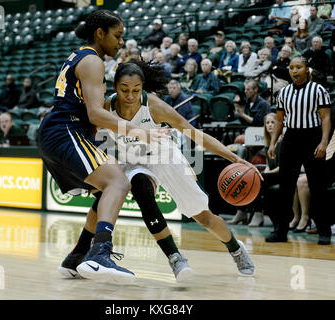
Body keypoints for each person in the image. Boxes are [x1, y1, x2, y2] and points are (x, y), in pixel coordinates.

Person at [90, 61, 259, 278]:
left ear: (143, 88)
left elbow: (196, 135)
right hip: (135, 162)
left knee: (204, 217)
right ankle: (175, 258)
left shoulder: (156, 107)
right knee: (141, 189)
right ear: (115, 87)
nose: (130, 96)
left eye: (136, 90)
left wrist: (234, 158)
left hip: (166, 159)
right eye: (124, 90)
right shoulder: (106, 107)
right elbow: (93, 135)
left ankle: (235, 248)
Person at [38, 10, 167, 283]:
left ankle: (76, 258)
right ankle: (99, 255)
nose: (121, 42)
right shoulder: (92, 61)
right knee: (118, 182)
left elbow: (92, 116)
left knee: (105, 190)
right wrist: (138, 131)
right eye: (117, 36)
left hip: (62, 132)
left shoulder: (80, 56)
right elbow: (96, 113)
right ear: (100, 33)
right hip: (65, 131)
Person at [266, 55, 332, 245]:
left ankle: (323, 230)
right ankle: (280, 231)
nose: (295, 71)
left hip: (313, 138)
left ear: (306, 69)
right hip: (291, 139)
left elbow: (326, 117)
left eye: (299, 67)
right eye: (292, 67)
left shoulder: (318, 90)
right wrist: (273, 143)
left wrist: (323, 142)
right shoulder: (284, 93)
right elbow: (279, 119)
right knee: (285, 187)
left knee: (318, 187)